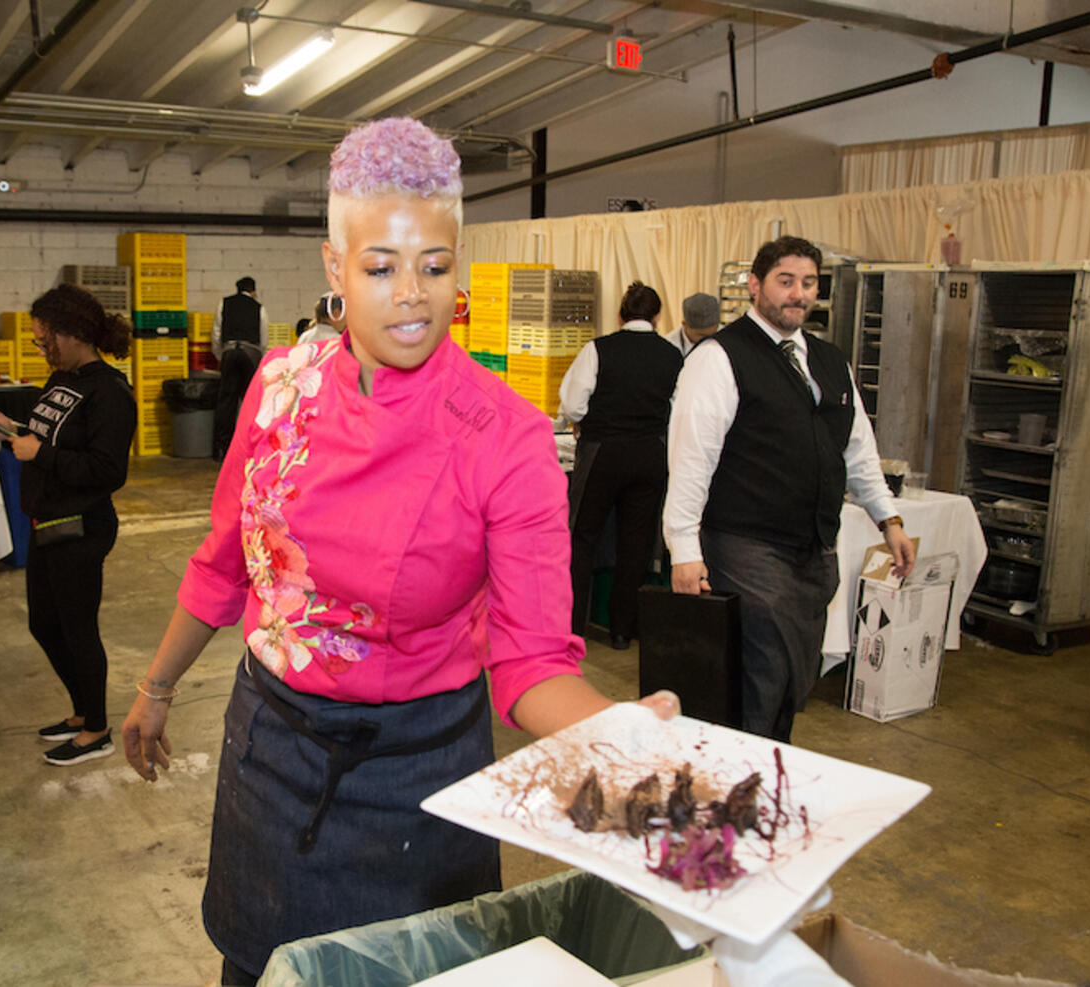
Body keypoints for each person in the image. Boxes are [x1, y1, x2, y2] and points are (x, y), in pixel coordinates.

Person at [120, 117, 679, 987]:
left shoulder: (505, 436)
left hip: (417, 777)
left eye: (435, 266)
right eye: (381, 267)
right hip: (270, 749)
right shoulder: (279, 389)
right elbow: (224, 560)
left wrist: (614, 733)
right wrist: (156, 688)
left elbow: (532, 660)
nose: (412, 295)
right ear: (335, 267)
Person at [663, 236, 916, 742]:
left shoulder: (830, 360)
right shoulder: (719, 358)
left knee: (790, 683)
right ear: (755, 285)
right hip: (747, 546)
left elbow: (858, 450)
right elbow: (691, 459)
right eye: (785, 281)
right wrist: (683, 549)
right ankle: (748, 777)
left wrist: (888, 520)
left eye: (808, 283)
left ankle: (769, 767)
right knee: (762, 678)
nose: (797, 294)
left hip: (814, 552)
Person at [0, 285, 137, 766]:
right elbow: (49, 435)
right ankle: (82, 710)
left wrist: (39, 453)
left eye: (46, 341)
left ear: (73, 335)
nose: (42, 349)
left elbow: (107, 471)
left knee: (77, 629)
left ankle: (97, 729)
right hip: (46, 521)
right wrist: (13, 430)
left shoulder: (110, 392)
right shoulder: (61, 379)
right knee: (45, 625)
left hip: (80, 527)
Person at [557, 282, 683, 647]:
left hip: (603, 452)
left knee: (583, 537)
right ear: (657, 316)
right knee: (636, 544)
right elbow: (679, 409)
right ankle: (622, 631)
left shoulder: (598, 349)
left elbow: (574, 405)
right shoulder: (672, 355)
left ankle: (573, 627)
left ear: (620, 314)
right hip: (651, 454)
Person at [211, 276, 268, 461]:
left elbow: (216, 333)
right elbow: (263, 338)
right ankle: (250, 448)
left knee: (226, 401)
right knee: (251, 402)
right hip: (250, 354)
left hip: (229, 351)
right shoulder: (259, 308)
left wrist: (220, 355)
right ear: (253, 291)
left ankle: (221, 449)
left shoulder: (224, 303)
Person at [664, 291, 721, 357]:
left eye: (713, 334)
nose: (708, 340)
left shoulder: (725, 337)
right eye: (702, 335)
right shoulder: (669, 346)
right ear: (685, 325)